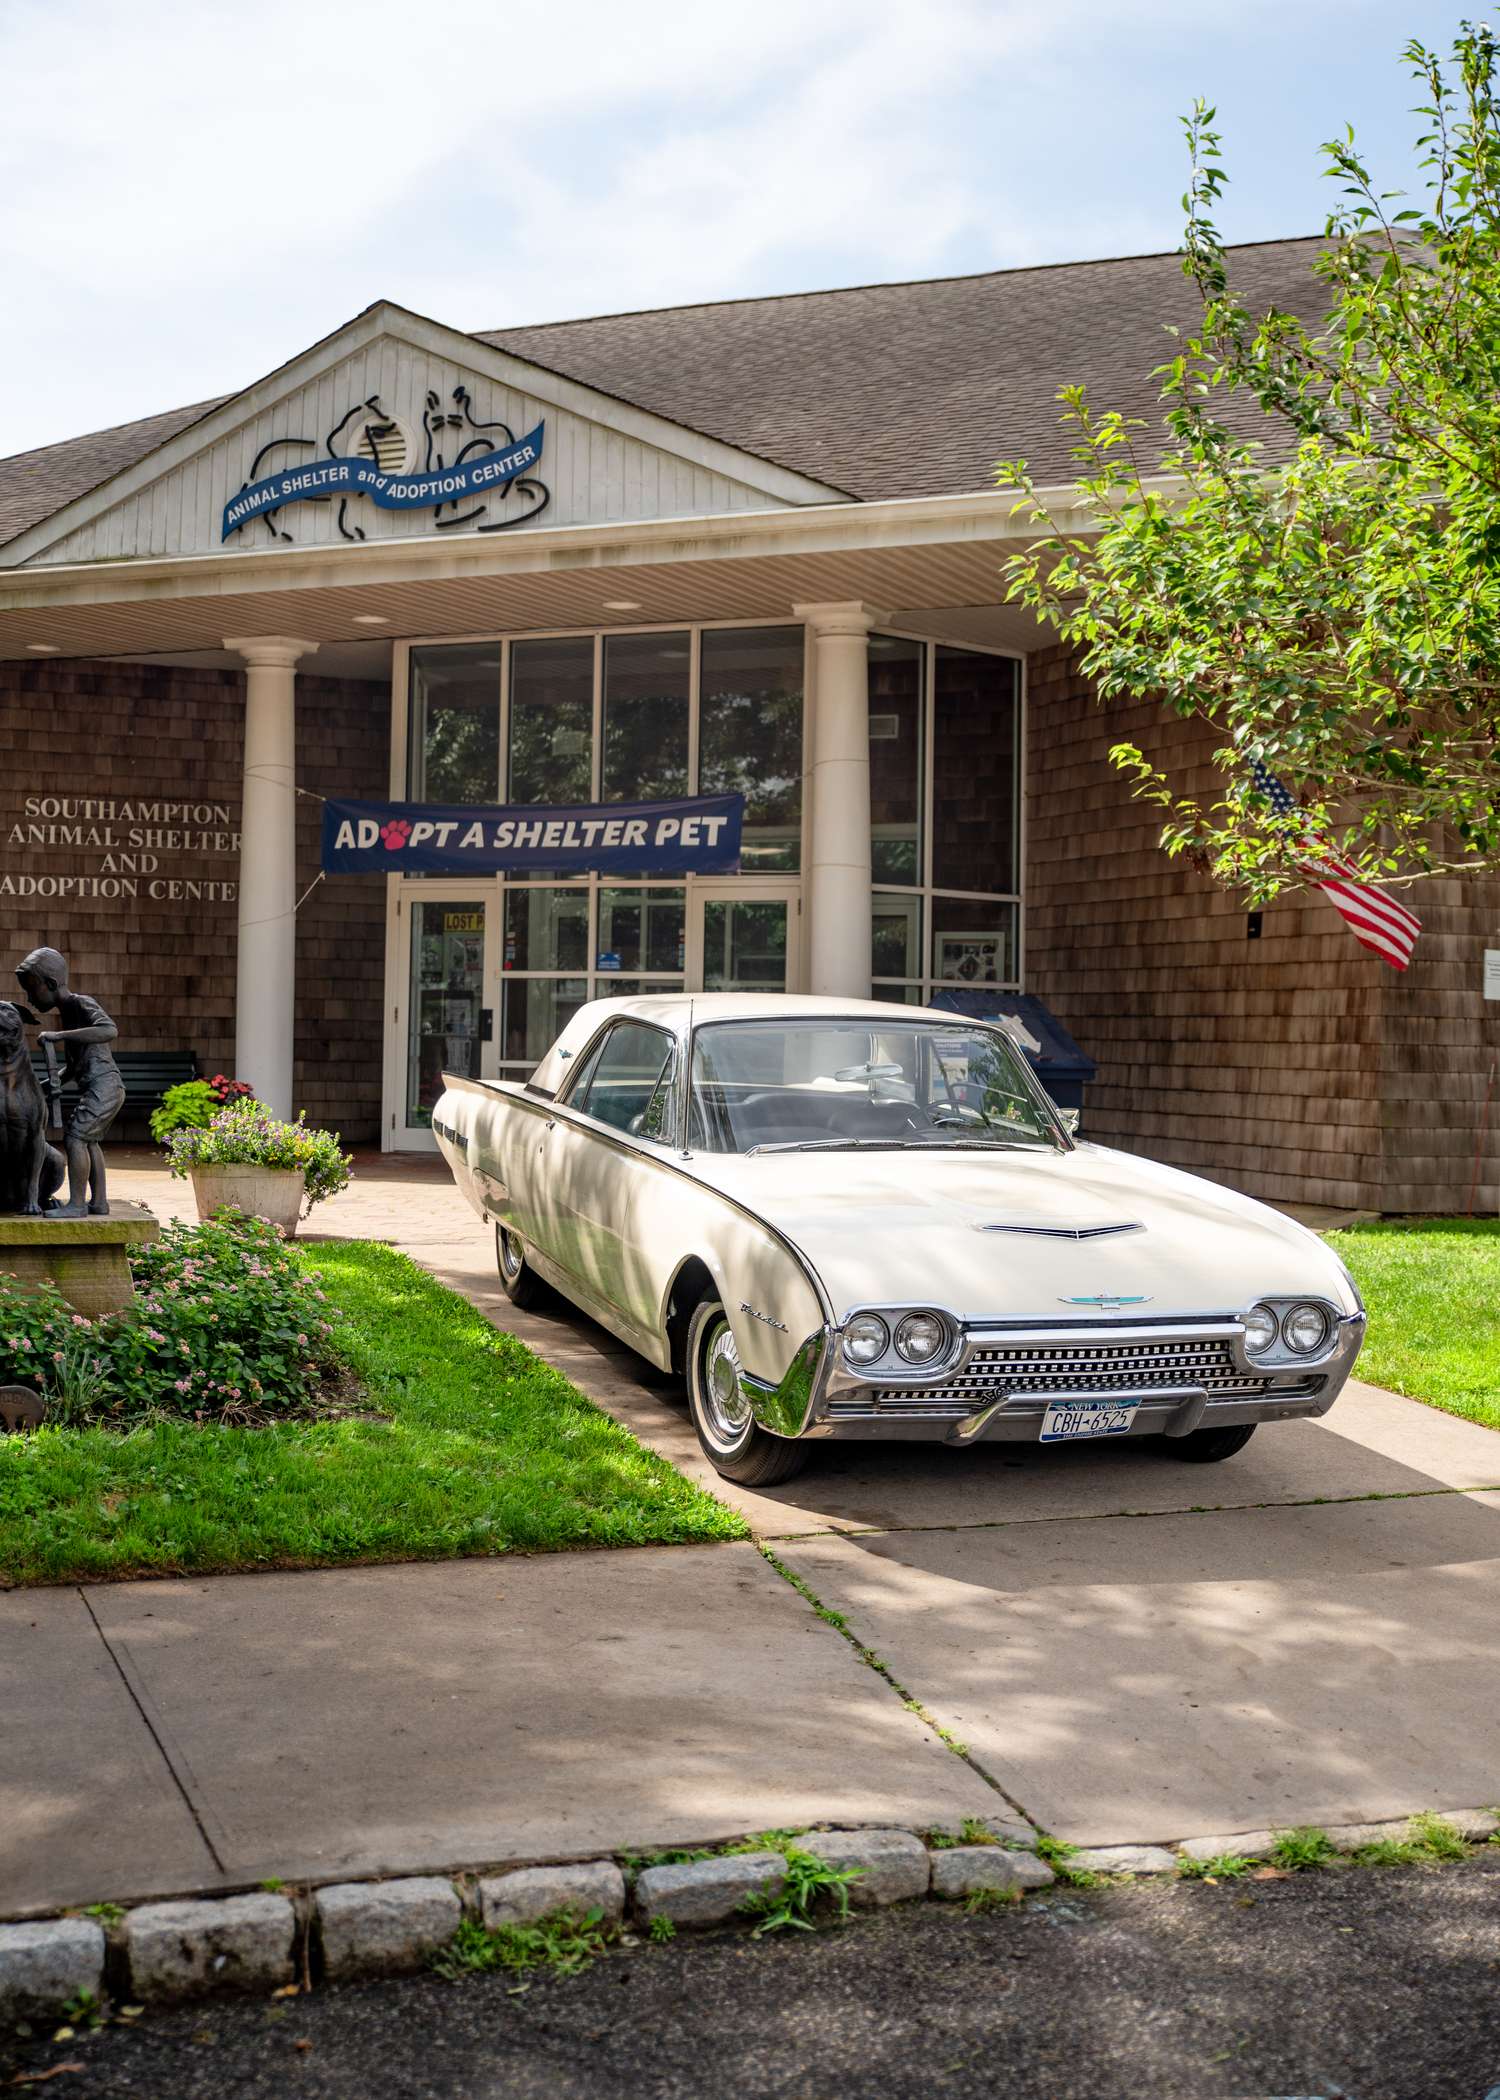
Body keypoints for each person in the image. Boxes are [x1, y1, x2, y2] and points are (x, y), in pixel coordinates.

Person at [14, 947, 125, 1217]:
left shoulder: (80, 1003)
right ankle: (98, 1203)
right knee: (90, 1141)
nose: (30, 999)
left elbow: (109, 1029)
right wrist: (40, 1088)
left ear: (51, 984)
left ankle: (76, 1205)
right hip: (101, 1086)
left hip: (105, 1085)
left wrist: (58, 1036)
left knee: (75, 1137)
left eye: (32, 991)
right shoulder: (69, 1014)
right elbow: (73, 1069)